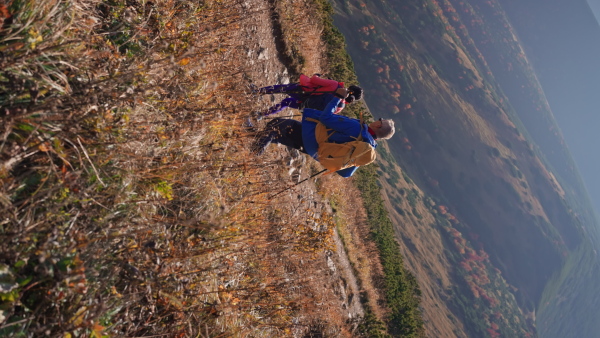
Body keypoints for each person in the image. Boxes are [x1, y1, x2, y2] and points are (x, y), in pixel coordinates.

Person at [251, 88, 395, 177]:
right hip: (318, 152)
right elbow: (346, 173)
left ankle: (253, 152)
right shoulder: (367, 149)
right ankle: (253, 139)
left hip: (312, 138)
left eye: (380, 120)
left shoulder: (357, 128)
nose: (378, 120)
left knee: (278, 124)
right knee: (280, 134)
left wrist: (337, 98)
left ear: (378, 125)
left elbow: (326, 118)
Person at [250, 74, 363, 120]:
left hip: (305, 93)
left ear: (351, 88)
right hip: (305, 106)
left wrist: (317, 75)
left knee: (283, 88)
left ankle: (258, 92)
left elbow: (314, 80)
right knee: (286, 102)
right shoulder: (341, 105)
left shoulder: (335, 85)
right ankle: (261, 115)